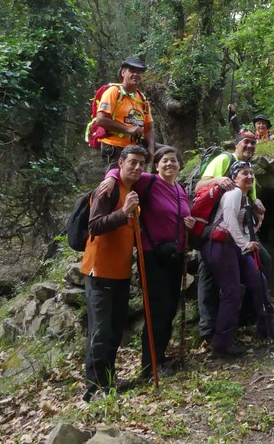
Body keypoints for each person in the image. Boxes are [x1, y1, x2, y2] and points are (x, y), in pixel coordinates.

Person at [101, 146, 195, 378]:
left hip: (175, 255)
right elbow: (121, 171)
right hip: (153, 255)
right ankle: (149, 365)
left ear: (180, 165)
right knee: (158, 311)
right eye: (164, 161)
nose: (169, 164)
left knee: (169, 309)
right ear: (156, 165)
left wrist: (188, 223)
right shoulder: (148, 182)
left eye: (173, 161)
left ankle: (159, 357)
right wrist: (110, 180)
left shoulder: (180, 189)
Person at [203, 161, 274, 357]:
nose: (249, 177)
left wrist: (260, 217)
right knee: (232, 291)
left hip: (232, 246)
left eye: (251, 173)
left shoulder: (245, 198)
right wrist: (245, 245)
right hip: (220, 246)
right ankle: (221, 344)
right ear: (235, 177)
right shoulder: (233, 194)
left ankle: (267, 327)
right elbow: (230, 222)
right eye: (244, 173)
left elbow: (249, 228)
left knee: (259, 281)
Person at [81, 144, 146, 402]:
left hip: (120, 272)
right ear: (120, 162)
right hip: (99, 271)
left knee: (115, 330)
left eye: (142, 163)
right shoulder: (107, 190)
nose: (138, 167)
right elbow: (94, 226)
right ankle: (93, 389)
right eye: (133, 162)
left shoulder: (130, 190)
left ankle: (108, 381)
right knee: (100, 330)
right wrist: (123, 213)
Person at [194, 129, 270, 341]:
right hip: (214, 231)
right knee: (210, 280)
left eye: (253, 143)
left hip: (238, 233)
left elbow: (247, 203)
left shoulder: (248, 171)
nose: (249, 146)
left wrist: (256, 203)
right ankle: (209, 330)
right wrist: (218, 180)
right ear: (236, 144)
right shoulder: (224, 159)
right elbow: (200, 185)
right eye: (245, 142)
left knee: (260, 266)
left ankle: (245, 318)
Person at [95, 57, 155, 168]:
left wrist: (151, 148)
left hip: (136, 148)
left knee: (165, 153)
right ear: (123, 72)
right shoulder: (113, 92)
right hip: (115, 146)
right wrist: (127, 129)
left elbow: (149, 127)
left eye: (139, 72)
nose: (136, 74)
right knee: (115, 182)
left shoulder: (142, 98)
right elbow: (100, 120)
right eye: (132, 71)